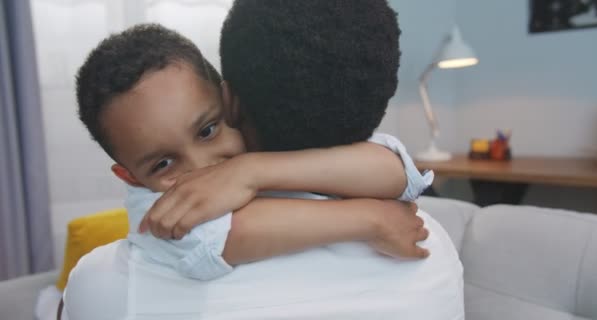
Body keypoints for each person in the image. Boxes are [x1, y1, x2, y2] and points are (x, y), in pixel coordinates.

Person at [63, 1, 463, 319]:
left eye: (207, 130)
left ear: (228, 102)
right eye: (162, 164)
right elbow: (220, 236)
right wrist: (369, 220)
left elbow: (395, 170)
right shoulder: (157, 216)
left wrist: (251, 170)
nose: (202, 166)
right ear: (130, 177)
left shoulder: (102, 284)